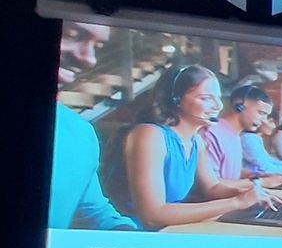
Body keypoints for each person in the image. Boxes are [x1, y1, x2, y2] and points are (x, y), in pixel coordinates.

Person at [99, 62, 257, 231]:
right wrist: (237, 202)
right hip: (128, 235)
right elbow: (152, 216)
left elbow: (212, 187)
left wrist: (254, 192)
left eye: (218, 97)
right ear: (176, 100)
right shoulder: (149, 135)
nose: (218, 106)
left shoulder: (196, 140)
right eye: (206, 98)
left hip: (167, 231)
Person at [48, 20, 136, 230]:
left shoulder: (80, 132)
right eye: (72, 34)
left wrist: (127, 236)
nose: (89, 59)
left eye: (97, 47)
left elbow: (93, 210)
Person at [202, 77, 282, 200]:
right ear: (240, 106)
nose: (263, 120)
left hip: (230, 202)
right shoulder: (211, 133)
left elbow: (229, 174)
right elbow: (212, 184)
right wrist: (263, 183)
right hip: (216, 206)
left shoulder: (234, 135)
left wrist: (257, 176)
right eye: (261, 113)